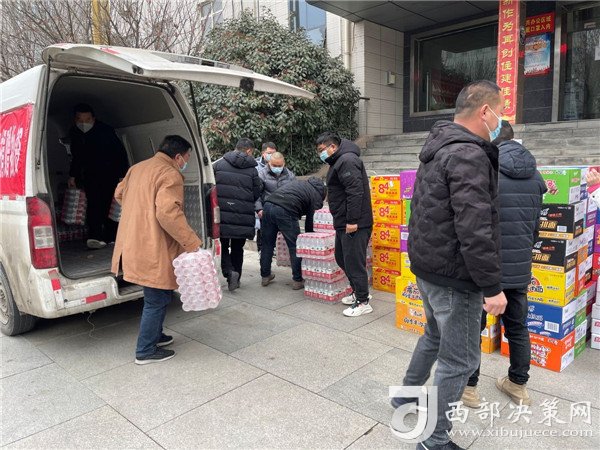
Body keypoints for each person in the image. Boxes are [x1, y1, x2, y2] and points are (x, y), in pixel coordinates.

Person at [392, 80, 508, 450]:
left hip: (429, 266)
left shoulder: (439, 146)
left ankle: (405, 396)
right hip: (454, 276)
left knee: (434, 336)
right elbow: (474, 226)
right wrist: (492, 287)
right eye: (500, 112)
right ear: (485, 111)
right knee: (460, 361)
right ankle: (434, 438)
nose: (501, 120)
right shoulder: (468, 154)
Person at [461, 121, 546, 408]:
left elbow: (474, 225)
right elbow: (535, 227)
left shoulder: (486, 169)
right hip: (519, 267)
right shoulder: (535, 175)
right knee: (518, 328)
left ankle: (469, 388)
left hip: (486, 268)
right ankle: (518, 385)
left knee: (473, 328)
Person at [111, 135, 202, 365]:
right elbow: (168, 213)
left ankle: (156, 335)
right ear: (178, 156)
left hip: (133, 240)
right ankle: (145, 350)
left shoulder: (137, 168)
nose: (186, 163)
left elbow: (119, 194)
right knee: (156, 298)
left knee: (158, 293)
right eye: (187, 158)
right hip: (152, 244)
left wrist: (140, 209)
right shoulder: (170, 174)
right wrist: (191, 242)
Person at [315, 132, 373, 317]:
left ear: (333, 147)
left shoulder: (347, 160)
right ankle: (358, 291)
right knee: (342, 258)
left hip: (354, 223)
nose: (321, 154)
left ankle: (363, 301)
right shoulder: (338, 161)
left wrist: (352, 221)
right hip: (343, 221)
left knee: (354, 262)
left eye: (322, 150)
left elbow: (355, 192)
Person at [68, 103, 129, 249]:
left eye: (87, 120)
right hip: (89, 175)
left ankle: (111, 236)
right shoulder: (75, 133)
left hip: (109, 173)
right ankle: (95, 236)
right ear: (75, 120)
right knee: (93, 204)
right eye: (80, 120)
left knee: (109, 204)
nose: (84, 123)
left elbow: (120, 153)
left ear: (94, 118)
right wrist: (72, 175)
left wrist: (122, 176)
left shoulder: (106, 131)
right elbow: (76, 157)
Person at [213, 137, 262, 291]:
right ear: (249, 150)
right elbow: (257, 193)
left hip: (223, 213)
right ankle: (237, 278)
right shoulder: (252, 170)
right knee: (237, 247)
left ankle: (229, 272)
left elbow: (211, 188)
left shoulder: (219, 165)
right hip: (243, 215)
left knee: (224, 245)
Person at [260, 177, 326, 290]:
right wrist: (311, 239)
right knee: (295, 246)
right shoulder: (316, 195)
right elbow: (311, 221)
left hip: (268, 205)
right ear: (323, 192)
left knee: (267, 244)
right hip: (286, 210)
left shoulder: (300, 184)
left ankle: (265, 276)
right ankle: (297, 280)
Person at [255, 152, 295, 253]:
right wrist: (259, 209)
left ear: (284, 163)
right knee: (267, 244)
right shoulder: (261, 174)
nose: (277, 168)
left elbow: (294, 195)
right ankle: (264, 262)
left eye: (279, 166)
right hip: (267, 212)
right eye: (274, 165)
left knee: (291, 242)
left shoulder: (290, 176)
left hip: (285, 212)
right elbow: (256, 194)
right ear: (269, 163)